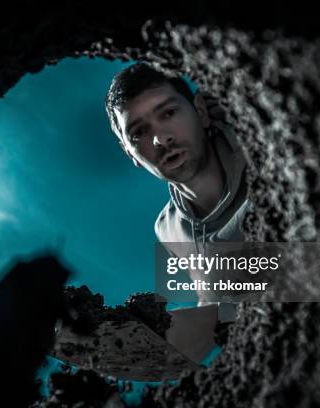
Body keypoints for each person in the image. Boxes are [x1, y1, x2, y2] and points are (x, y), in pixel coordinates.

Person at [104, 63, 250, 350]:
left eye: (169, 113)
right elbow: (215, 296)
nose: (161, 139)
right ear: (128, 152)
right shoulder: (168, 229)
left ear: (201, 110)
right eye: (139, 132)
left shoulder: (263, 154)